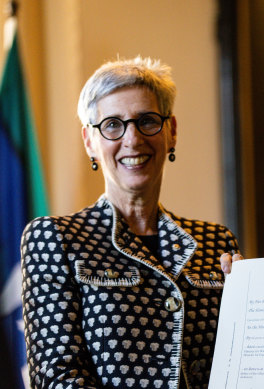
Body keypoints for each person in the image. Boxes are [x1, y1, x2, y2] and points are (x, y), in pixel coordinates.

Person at [20, 57, 239, 389]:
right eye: (112, 124)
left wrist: (251, 301)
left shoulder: (216, 242)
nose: (133, 139)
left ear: (172, 131)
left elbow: (241, 366)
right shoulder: (56, 238)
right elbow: (58, 377)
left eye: (147, 121)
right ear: (89, 142)